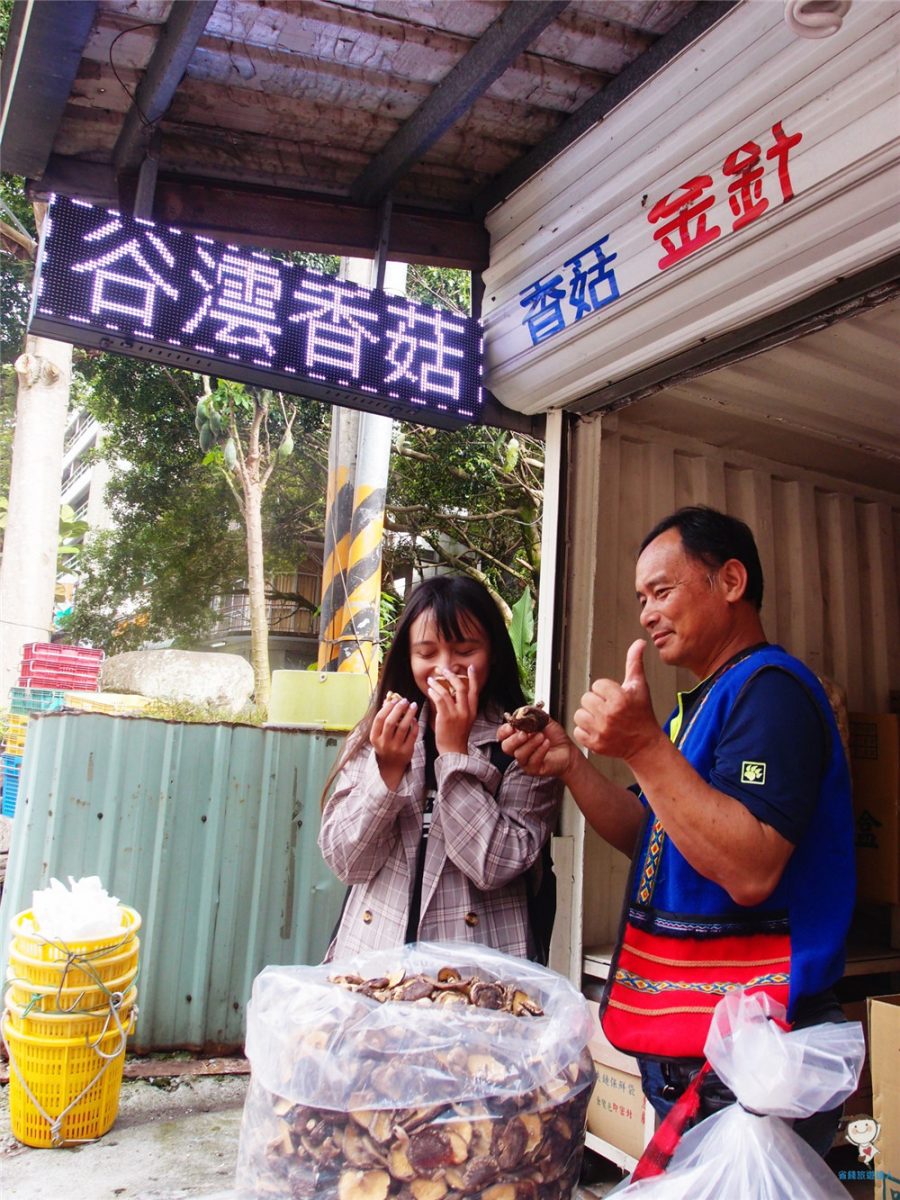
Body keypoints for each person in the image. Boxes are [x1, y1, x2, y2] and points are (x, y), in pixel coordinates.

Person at [500, 506, 855, 1155]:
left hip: (752, 1055)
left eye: (661, 591)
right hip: (706, 1050)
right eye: (641, 599)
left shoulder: (769, 690)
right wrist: (573, 767)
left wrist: (640, 746)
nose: (646, 613)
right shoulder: (701, 706)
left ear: (730, 581)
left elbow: (750, 869)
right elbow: (653, 836)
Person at [319, 575, 561, 962]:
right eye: (426, 653)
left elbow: (494, 866)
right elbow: (347, 861)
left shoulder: (522, 744)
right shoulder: (382, 732)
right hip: (374, 971)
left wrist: (454, 753)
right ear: (408, 658)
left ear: (493, 652)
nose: (445, 669)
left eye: (464, 650)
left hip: (478, 980)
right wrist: (387, 771)